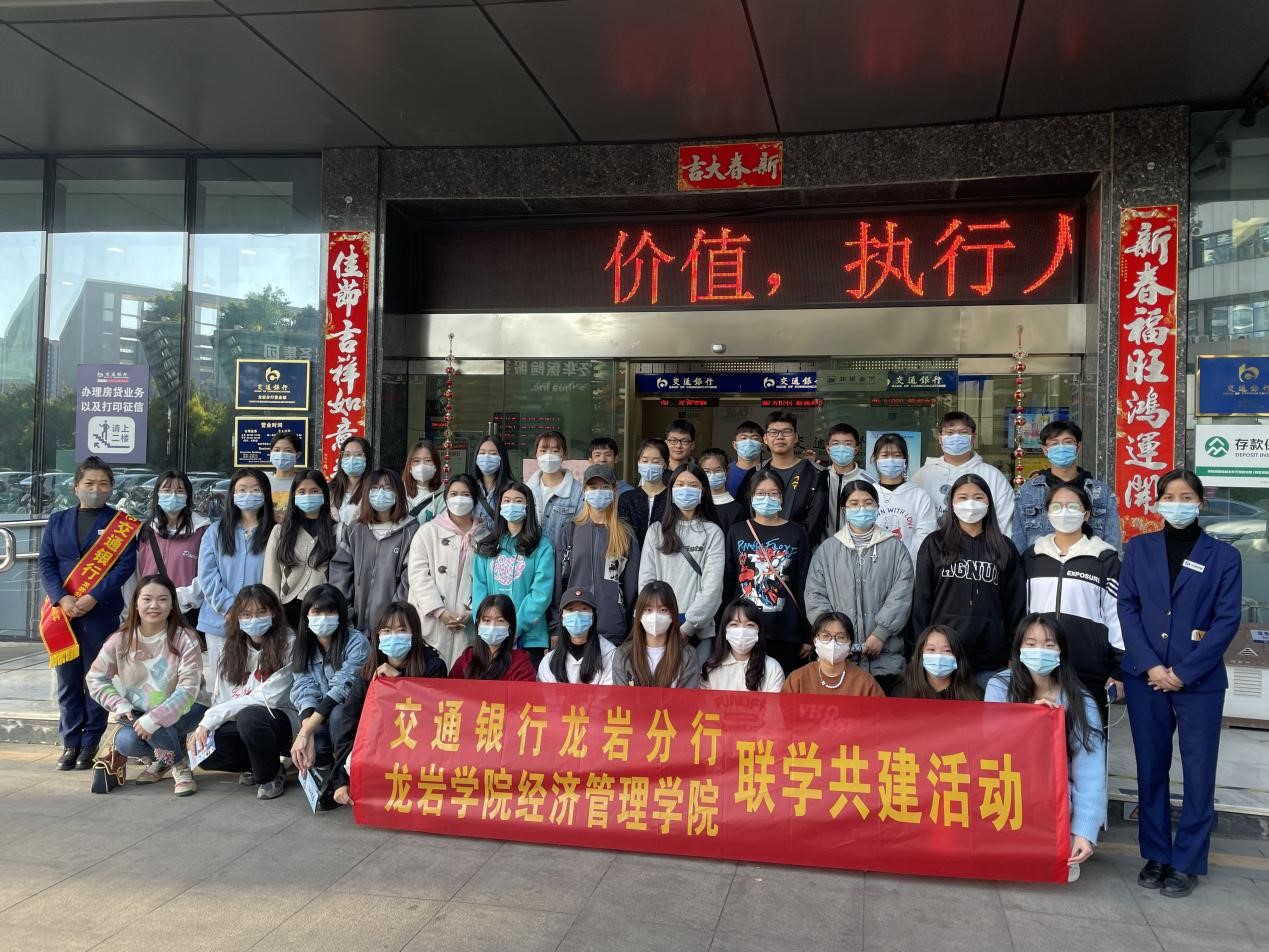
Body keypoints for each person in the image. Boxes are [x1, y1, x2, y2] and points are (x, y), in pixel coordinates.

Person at [1118, 469, 1242, 898]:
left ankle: (1187, 861)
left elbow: (1227, 620)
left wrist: (1185, 672)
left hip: (1199, 682)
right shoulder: (1139, 548)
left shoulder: (1224, 556)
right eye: (1169, 496)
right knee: (1151, 767)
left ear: (1200, 502)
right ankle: (1156, 853)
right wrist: (1151, 666)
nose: (1177, 503)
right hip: (1146, 679)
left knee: (1198, 772)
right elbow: (1127, 608)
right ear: (1157, 502)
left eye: (1186, 496)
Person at [39, 456, 141, 770]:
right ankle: (70, 743)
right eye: (89, 483)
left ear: (111, 488)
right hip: (62, 614)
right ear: (76, 487)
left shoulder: (121, 525)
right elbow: (46, 562)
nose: (96, 489)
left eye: (103, 484)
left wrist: (94, 597)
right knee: (67, 681)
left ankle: (90, 742)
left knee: (97, 679)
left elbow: (124, 566)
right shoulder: (57, 520)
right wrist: (62, 598)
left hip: (101, 613)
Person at [986, 614, 1105, 881]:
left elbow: (1091, 772)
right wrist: (1029, 720)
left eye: (1049, 644)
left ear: (1062, 651)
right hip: (1006, 795)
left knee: (1058, 867)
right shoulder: (999, 686)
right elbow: (991, 746)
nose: (1039, 650)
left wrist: (1084, 832)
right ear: (1019, 649)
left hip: (1054, 802)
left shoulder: (1080, 701)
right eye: (1031, 643)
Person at [86, 575, 203, 796]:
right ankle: (167, 759)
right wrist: (119, 704)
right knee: (125, 741)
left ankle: (178, 766)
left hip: (190, 708)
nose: (154, 605)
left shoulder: (185, 638)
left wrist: (154, 718)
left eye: (162, 599)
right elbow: (95, 678)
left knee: (158, 726)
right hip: (141, 712)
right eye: (147, 599)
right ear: (136, 603)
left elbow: (189, 689)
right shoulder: (120, 639)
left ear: (172, 604)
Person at [1023, 483, 1123, 727]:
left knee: (1088, 740)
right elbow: (1020, 612)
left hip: (1088, 670)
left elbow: (1117, 616)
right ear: (1047, 513)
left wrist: (1119, 669)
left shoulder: (1104, 558)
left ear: (1086, 514)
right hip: (1039, 669)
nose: (1064, 512)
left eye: (1073, 506)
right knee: (1039, 740)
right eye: (1057, 506)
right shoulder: (1032, 557)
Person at [328, 601, 447, 806]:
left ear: (414, 633)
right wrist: (341, 780)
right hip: (381, 744)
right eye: (387, 631)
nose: (394, 636)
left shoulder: (433, 666)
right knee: (341, 721)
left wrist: (398, 683)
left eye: (402, 630)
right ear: (378, 635)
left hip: (419, 747)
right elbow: (349, 722)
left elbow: (434, 715)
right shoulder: (369, 670)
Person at [911, 473, 1025, 683]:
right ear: (952, 503)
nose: (970, 503)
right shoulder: (934, 544)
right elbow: (921, 602)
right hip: (942, 656)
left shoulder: (1005, 548)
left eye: (978, 497)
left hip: (991, 658)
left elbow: (1015, 606)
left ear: (989, 503)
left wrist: (1013, 652)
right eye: (962, 497)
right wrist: (920, 649)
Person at [803, 480, 914, 694]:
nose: (861, 508)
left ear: (877, 506)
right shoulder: (828, 550)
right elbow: (815, 596)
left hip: (886, 660)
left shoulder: (895, 547)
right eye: (854, 503)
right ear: (844, 509)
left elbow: (902, 593)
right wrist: (836, 637)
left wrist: (880, 634)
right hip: (838, 661)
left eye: (868, 502)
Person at [189, 585, 297, 801]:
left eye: (261, 612)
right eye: (246, 614)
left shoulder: (289, 643)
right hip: (240, 722)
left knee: (251, 716)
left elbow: (267, 698)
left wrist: (211, 718)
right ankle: (256, 764)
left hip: (280, 720)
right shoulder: (231, 648)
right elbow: (221, 697)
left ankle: (269, 776)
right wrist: (205, 727)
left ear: (274, 613)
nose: (253, 620)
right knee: (205, 750)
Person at [723, 468, 810, 675]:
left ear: (782, 496)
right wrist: (724, 625)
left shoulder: (796, 532)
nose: (767, 498)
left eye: (773, 493)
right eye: (760, 493)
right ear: (751, 497)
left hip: (785, 631)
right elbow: (727, 582)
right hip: (743, 630)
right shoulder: (737, 530)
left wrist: (807, 634)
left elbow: (804, 583)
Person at [639, 462, 724, 661]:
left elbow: (712, 588)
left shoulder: (712, 532)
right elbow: (646, 582)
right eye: (680, 485)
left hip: (697, 632)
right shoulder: (656, 531)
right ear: (671, 490)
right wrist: (655, 619)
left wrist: (688, 627)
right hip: (658, 625)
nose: (686, 490)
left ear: (703, 491)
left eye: (693, 485)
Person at [198, 468, 275, 685]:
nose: (248, 494)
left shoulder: (275, 531)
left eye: (255, 489)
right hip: (220, 622)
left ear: (265, 494)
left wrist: (255, 612)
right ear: (232, 494)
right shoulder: (215, 531)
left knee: (258, 686)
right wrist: (232, 608)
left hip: (262, 623)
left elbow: (277, 577)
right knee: (223, 685)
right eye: (242, 489)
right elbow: (207, 575)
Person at [287, 584, 370, 780]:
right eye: (317, 612)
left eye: (330, 611)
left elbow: (342, 689)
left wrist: (305, 732)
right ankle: (326, 773)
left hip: (353, 716)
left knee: (339, 713)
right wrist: (307, 733)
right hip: (321, 717)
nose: (323, 617)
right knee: (314, 737)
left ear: (340, 614)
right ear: (306, 615)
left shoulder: (357, 642)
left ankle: (344, 776)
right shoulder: (302, 647)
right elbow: (304, 689)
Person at [554, 465, 639, 646]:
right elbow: (557, 581)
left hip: (613, 627)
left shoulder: (626, 534)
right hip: (575, 626)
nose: (598, 492)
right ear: (584, 490)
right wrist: (555, 626)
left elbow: (632, 587)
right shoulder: (571, 529)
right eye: (593, 487)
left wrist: (631, 628)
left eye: (604, 487)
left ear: (614, 490)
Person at [471, 483, 555, 663]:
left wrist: (514, 628)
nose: (512, 505)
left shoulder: (542, 546)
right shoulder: (487, 545)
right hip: (491, 637)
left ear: (528, 506)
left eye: (518, 501)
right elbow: (478, 589)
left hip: (529, 639)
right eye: (507, 500)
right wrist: (487, 624)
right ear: (500, 506)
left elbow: (541, 594)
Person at [407, 474, 483, 668]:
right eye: (454, 494)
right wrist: (439, 611)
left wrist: (472, 611)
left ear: (475, 498)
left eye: (466, 494)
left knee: (462, 674)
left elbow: (488, 580)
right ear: (446, 498)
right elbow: (418, 575)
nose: (459, 499)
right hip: (431, 621)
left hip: (467, 624)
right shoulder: (428, 531)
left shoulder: (485, 536)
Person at [330, 468, 418, 635]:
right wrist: (345, 610)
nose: (381, 493)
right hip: (354, 623)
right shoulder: (356, 529)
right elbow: (340, 570)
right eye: (375, 488)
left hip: (392, 629)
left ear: (399, 493)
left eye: (388, 488)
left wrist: (393, 617)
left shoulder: (410, 531)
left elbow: (409, 577)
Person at [1014, 420, 1122, 551]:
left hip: (1090, 562)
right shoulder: (1028, 492)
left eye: (1068, 442)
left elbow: (1113, 543)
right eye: (1054, 443)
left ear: (1078, 447)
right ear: (1045, 450)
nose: (1061, 448)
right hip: (1039, 562)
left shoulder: (1101, 492)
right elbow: (1018, 543)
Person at [912, 411, 1015, 536]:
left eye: (963, 432)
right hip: (934, 546)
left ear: (973, 437)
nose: (956, 437)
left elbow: (1004, 520)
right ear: (940, 438)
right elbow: (912, 518)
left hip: (983, 546)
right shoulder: (923, 476)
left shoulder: (993, 476)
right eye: (950, 433)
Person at [263, 469, 337, 630]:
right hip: (288, 609)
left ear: (324, 494)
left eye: (314, 491)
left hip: (325, 611)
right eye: (302, 492)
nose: (308, 496)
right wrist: (273, 610)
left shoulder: (338, 531)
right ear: (294, 496)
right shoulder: (280, 531)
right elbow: (271, 576)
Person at [136, 469, 208, 625]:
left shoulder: (202, 531)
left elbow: (207, 573)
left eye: (179, 491)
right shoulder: (146, 530)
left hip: (186, 610)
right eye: (166, 490)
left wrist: (180, 598)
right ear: (157, 494)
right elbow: (137, 572)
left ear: (188, 495)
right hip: (149, 610)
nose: (173, 495)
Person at [737, 412, 822, 537]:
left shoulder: (815, 474)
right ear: (765, 439)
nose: (780, 437)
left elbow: (816, 521)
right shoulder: (754, 473)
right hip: (758, 546)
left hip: (799, 545)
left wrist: (794, 545)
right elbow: (744, 514)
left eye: (786, 432)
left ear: (796, 437)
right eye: (773, 432)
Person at [612, 581, 700, 687]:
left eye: (663, 610)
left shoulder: (688, 656)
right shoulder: (623, 655)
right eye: (648, 610)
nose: (655, 616)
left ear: (673, 614)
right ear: (638, 614)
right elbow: (621, 695)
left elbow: (687, 696)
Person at [870, 432, 937, 562]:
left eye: (897, 455)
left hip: (910, 566)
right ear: (875, 459)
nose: (891, 460)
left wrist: (905, 562)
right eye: (885, 455)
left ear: (905, 459)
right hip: (873, 566)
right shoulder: (868, 493)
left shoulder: (919, 495)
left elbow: (925, 534)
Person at [782, 612, 885, 696]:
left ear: (850, 643)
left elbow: (880, 713)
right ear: (815, 640)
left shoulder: (865, 683)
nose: (833, 643)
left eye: (841, 637)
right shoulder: (797, 679)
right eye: (825, 636)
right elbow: (783, 712)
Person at [700, 598, 785, 692]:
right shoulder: (710, 669)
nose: (741, 632)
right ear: (725, 631)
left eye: (750, 625)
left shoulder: (772, 668)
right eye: (734, 624)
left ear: (759, 631)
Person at [809, 423, 877, 540]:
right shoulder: (819, 478)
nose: (841, 448)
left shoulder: (870, 481)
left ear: (856, 449)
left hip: (858, 546)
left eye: (848, 444)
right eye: (836, 444)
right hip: (822, 546)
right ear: (828, 449)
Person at [539, 587, 617, 684]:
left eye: (584, 609)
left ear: (593, 617)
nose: (577, 615)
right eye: (570, 609)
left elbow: (609, 690)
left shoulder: (609, 654)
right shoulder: (549, 660)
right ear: (562, 618)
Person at [450, 594, 537, 680]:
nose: (492, 626)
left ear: (510, 626)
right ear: (478, 624)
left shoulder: (520, 663)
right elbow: (450, 687)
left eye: (500, 620)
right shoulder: (466, 659)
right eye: (487, 620)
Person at [527, 429, 582, 554]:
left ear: (564, 455)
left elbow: (580, 532)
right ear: (536, 454)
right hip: (531, 558)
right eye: (543, 450)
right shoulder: (526, 490)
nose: (548, 455)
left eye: (555, 451)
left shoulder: (578, 492)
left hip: (562, 559)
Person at [895, 625, 983, 700]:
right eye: (931, 649)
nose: (939, 656)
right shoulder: (902, 693)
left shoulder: (974, 694)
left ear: (958, 656)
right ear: (920, 654)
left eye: (947, 650)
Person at [617, 438, 670, 542]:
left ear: (665, 464)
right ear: (638, 463)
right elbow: (623, 535)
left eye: (656, 461)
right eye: (645, 461)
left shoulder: (672, 498)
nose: (649, 465)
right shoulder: (627, 498)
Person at [469, 434, 513, 527]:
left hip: (499, 536)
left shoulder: (511, 489)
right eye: (482, 453)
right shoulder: (469, 486)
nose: (486, 457)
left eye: (493, 454)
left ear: (502, 457)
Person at [329, 436, 371, 528]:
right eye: (347, 455)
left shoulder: (374, 490)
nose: (352, 459)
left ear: (367, 458)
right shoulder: (330, 489)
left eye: (358, 455)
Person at [402, 439, 446, 525]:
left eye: (428, 460)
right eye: (416, 461)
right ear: (409, 466)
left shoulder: (444, 494)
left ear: (436, 465)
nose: (422, 465)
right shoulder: (399, 492)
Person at [700, 448, 743, 529]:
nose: (712, 475)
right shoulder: (696, 504)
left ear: (726, 471)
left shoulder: (737, 509)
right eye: (706, 471)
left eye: (717, 470)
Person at [267, 430, 303, 515]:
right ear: (271, 453)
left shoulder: (304, 481)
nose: (281, 454)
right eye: (277, 450)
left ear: (298, 455)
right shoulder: (263, 480)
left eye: (288, 451)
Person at [727, 420, 764, 496]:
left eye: (755, 438)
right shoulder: (726, 471)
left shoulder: (769, 470)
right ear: (735, 445)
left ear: (762, 446)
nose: (749, 442)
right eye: (744, 438)